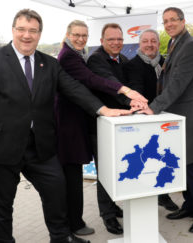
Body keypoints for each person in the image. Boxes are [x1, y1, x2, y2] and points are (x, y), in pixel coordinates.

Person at [0, 9, 132, 243]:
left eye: (33, 31)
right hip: (2, 148)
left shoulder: (49, 63)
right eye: (22, 29)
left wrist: (103, 109)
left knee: (56, 191)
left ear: (39, 34)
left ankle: (61, 237)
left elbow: (74, 89)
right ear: (13, 31)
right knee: (1, 205)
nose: (27, 35)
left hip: (40, 148)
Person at [55, 20, 147, 236]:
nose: (80, 39)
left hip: (90, 120)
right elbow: (93, 80)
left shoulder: (80, 54)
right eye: (76, 35)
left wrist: (134, 99)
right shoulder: (72, 56)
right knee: (78, 175)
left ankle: (77, 221)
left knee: (85, 173)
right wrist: (125, 91)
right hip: (72, 123)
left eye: (83, 35)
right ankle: (77, 223)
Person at [138, 7, 193, 233]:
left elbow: (178, 83)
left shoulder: (190, 45)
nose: (169, 24)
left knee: (191, 165)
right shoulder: (174, 44)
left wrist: (154, 108)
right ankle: (190, 206)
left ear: (183, 21)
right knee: (182, 163)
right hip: (178, 116)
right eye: (166, 21)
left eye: (173, 20)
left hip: (189, 116)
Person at [87, 23, 144, 235]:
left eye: (119, 39)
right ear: (102, 41)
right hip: (99, 126)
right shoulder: (96, 59)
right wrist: (131, 101)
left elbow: (132, 82)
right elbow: (108, 83)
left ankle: (113, 206)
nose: (116, 43)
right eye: (111, 39)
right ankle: (107, 215)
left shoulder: (123, 60)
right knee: (105, 172)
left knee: (118, 169)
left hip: (120, 127)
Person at [123, 28, 179, 212]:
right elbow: (137, 91)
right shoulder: (132, 66)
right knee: (144, 161)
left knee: (163, 159)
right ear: (139, 44)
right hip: (143, 121)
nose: (149, 45)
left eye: (153, 41)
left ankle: (163, 196)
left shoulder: (165, 63)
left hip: (164, 119)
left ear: (159, 44)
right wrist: (152, 107)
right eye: (145, 41)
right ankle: (142, 198)